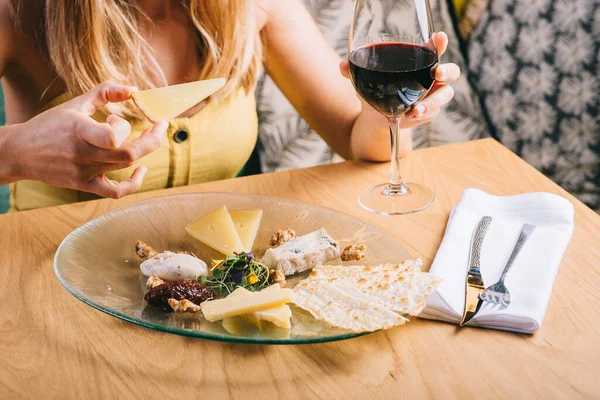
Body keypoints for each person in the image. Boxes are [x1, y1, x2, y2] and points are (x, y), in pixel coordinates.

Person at [0, 0, 460, 211]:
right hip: (55, 283)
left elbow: (359, 142)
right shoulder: (18, 13)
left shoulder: (254, 6)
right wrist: (18, 151)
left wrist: (399, 114)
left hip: (215, 293)